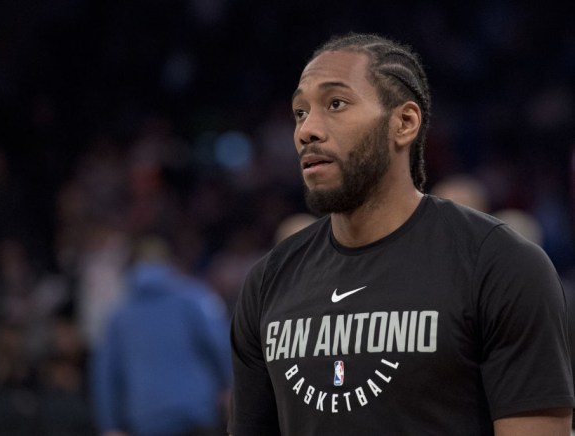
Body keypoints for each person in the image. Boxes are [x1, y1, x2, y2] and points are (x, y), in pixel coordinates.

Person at [228, 32, 574, 435]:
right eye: (300, 112)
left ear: (404, 123)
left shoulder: (500, 264)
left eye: (335, 104)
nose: (307, 130)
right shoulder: (268, 281)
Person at [90, 236, 232, 436]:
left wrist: (110, 425)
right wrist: (231, 386)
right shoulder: (195, 298)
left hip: (146, 420)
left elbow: (106, 375)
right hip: (197, 415)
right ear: (169, 263)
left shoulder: (119, 316)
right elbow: (220, 346)